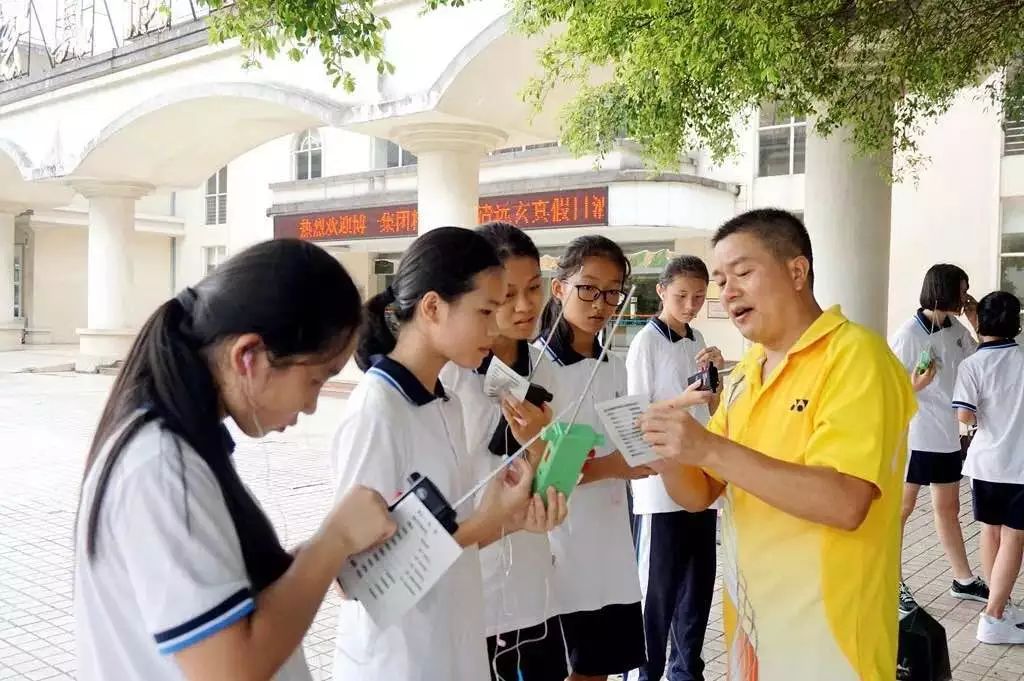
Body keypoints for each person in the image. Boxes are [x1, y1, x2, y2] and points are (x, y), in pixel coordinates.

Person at [74, 239, 397, 681]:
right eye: (316, 380)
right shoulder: (160, 466)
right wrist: (333, 541)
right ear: (249, 357)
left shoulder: (180, 447)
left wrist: (317, 559)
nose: (311, 407)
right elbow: (230, 670)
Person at [639, 209, 916, 681]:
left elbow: (845, 501)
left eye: (743, 272)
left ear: (796, 271)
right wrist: (666, 450)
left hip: (830, 651)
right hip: (753, 641)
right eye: (721, 279)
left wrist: (706, 448)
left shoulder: (856, 357)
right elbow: (699, 494)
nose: (727, 292)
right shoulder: (748, 371)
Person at [329, 226, 536, 681]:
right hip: (398, 661)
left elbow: (446, 535)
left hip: (450, 646)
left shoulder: (446, 401)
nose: (495, 326)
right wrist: (484, 522)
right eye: (485, 310)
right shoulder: (377, 408)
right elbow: (353, 576)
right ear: (432, 307)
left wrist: (508, 520)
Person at [440, 221, 570, 681]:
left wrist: (543, 451)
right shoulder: (450, 376)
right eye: (508, 293)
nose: (525, 305)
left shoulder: (546, 371)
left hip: (532, 588)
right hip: (466, 582)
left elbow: (561, 478)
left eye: (534, 288)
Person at [536, 235, 647, 681]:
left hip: (612, 545)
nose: (600, 302)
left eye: (612, 291)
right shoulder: (535, 368)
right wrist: (612, 468)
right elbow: (541, 475)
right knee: (572, 669)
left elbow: (623, 443)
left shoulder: (614, 365)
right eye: (588, 288)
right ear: (559, 288)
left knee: (600, 669)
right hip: (561, 546)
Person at [625, 255, 723, 681]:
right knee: (657, 595)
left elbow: (713, 410)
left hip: (699, 479)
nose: (690, 304)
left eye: (698, 297)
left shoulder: (697, 338)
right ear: (662, 291)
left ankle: (686, 671)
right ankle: (644, 673)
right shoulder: (646, 342)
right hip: (659, 487)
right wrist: (684, 400)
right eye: (682, 295)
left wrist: (714, 377)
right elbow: (634, 416)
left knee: (698, 588)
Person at [890, 264, 986, 613]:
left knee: (949, 509)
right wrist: (915, 385)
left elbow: (979, 365)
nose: (966, 296)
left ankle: (963, 579)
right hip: (914, 436)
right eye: (962, 290)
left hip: (946, 434)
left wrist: (977, 324)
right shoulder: (907, 336)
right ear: (944, 289)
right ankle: (891, 581)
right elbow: (888, 391)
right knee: (900, 511)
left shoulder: (955, 328)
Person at [952, 291, 1024, 644]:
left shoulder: (972, 365)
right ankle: (993, 616)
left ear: (981, 323)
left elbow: (964, 416)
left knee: (990, 531)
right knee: (1014, 535)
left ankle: (1001, 605)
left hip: (984, 464)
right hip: (1019, 465)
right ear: (1017, 324)